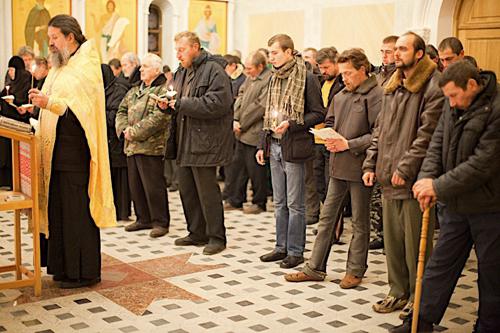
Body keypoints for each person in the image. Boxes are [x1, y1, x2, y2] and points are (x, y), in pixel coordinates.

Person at [390, 61, 500, 333]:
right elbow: (436, 144)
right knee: (439, 267)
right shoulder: (453, 109)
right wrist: (427, 180)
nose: (450, 103)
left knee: (492, 274)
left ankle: (488, 327)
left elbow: (482, 164)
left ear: (472, 85)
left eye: (454, 95)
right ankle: (419, 322)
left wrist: (437, 187)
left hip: (491, 207)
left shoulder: (496, 109)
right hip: (455, 205)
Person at [23, 14, 116, 288]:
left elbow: (81, 112)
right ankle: (63, 268)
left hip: (75, 154)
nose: (50, 44)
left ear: (70, 37)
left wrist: (49, 102)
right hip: (54, 153)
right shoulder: (62, 65)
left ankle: (84, 272)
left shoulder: (85, 65)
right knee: (60, 212)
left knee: (77, 214)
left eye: (54, 38)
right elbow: (56, 103)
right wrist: (39, 105)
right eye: (49, 38)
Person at [362, 31, 444, 319]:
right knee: (393, 243)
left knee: (415, 245)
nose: (396, 54)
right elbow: (380, 130)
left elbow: (427, 134)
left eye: (403, 49)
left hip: (413, 178)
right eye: (395, 49)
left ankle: (419, 296)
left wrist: (405, 168)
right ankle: (397, 290)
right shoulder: (392, 84)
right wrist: (370, 164)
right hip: (387, 175)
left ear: (419, 53)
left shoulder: (432, 85)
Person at [284, 48, 382, 287]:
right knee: (327, 218)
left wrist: (348, 143)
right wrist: (328, 135)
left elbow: (380, 133)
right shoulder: (341, 95)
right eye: (343, 73)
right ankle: (315, 267)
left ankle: (355, 270)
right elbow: (330, 120)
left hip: (360, 167)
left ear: (363, 70)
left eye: (349, 73)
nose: (344, 78)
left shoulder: (377, 95)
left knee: (359, 222)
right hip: (337, 165)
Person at [256, 34, 325, 269]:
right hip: (273, 144)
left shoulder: (307, 78)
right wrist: (262, 145)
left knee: (296, 203)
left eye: (275, 53)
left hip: (294, 145)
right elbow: (267, 114)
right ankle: (280, 247)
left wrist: (291, 124)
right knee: (279, 202)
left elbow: (318, 113)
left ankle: (296, 251)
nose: (271, 57)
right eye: (269, 53)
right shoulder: (273, 78)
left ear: (288, 52)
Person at [166, 31, 233, 255]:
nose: (178, 54)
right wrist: (166, 105)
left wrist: (181, 103)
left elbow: (217, 104)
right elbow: (176, 99)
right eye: (176, 50)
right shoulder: (182, 72)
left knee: (207, 192)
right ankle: (196, 232)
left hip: (205, 141)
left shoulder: (214, 70)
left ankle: (216, 237)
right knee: (187, 189)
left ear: (195, 47)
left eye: (181, 50)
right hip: (185, 139)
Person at [115, 53, 171, 237]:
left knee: (153, 186)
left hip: (151, 147)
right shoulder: (134, 90)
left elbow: (158, 118)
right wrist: (124, 129)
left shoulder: (163, 91)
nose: (141, 69)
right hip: (131, 146)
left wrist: (134, 131)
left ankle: (160, 221)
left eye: (145, 66)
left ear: (156, 70)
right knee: (136, 185)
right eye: (141, 66)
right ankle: (143, 218)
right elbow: (121, 110)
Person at [224, 51, 271, 214]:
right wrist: (235, 119)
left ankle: (259, 202)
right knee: (238, 168)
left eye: (250, 68)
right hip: (241, 131)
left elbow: (260, 106)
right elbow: (240, 98)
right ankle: (236, 199)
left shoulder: (268, 80)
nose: (247, 72)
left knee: (256, 171)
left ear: (260, 66)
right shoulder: (250, 78)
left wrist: (242, 123)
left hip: (255, 132)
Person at [309, 47, 345, 236]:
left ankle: (334, 228)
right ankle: (327, 223)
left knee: (332, 186)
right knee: (320, 185)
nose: (323, 71)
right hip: (317, 139)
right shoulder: (321, 82)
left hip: (332, 141)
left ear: (336, 63)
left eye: (326, 67)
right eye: (320, 67)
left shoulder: (343, 84)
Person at [369, 35, 399, 251]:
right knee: (376, 197)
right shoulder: (378, 76)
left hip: (393, 141)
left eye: (388, 51)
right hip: (375, 136)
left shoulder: (401, 76)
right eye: (382, 52)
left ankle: (393, 237)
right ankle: (380, 233)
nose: (385, 56)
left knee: (390, 195)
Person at [101, 64, 131, 222]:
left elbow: (115, 117)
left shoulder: (118, 89)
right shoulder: (105, 89)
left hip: (118, 140)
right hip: (108, 141)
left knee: (121, 178)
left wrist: (98, 111)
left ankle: (123, 212)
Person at [0, 56, 32, 189]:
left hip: (19, 126)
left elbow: (27, 102)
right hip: (6, 126)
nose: (10, 73)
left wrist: (21, 107)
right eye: (9, 70)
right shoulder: (9, 83)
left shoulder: (27, 81)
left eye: (12, 70)